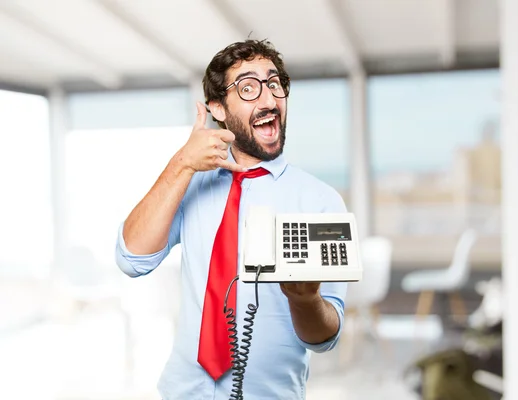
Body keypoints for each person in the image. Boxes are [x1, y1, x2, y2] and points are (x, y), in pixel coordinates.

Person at [115, 39, 347, 399]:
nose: (269, 100)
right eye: (249, 88)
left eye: (275, 84)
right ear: (218, 108)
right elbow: (131, 258)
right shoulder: (189, 182)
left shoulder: (320, 201)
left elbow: (326, 338)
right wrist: (181, 164)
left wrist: (306, 302)